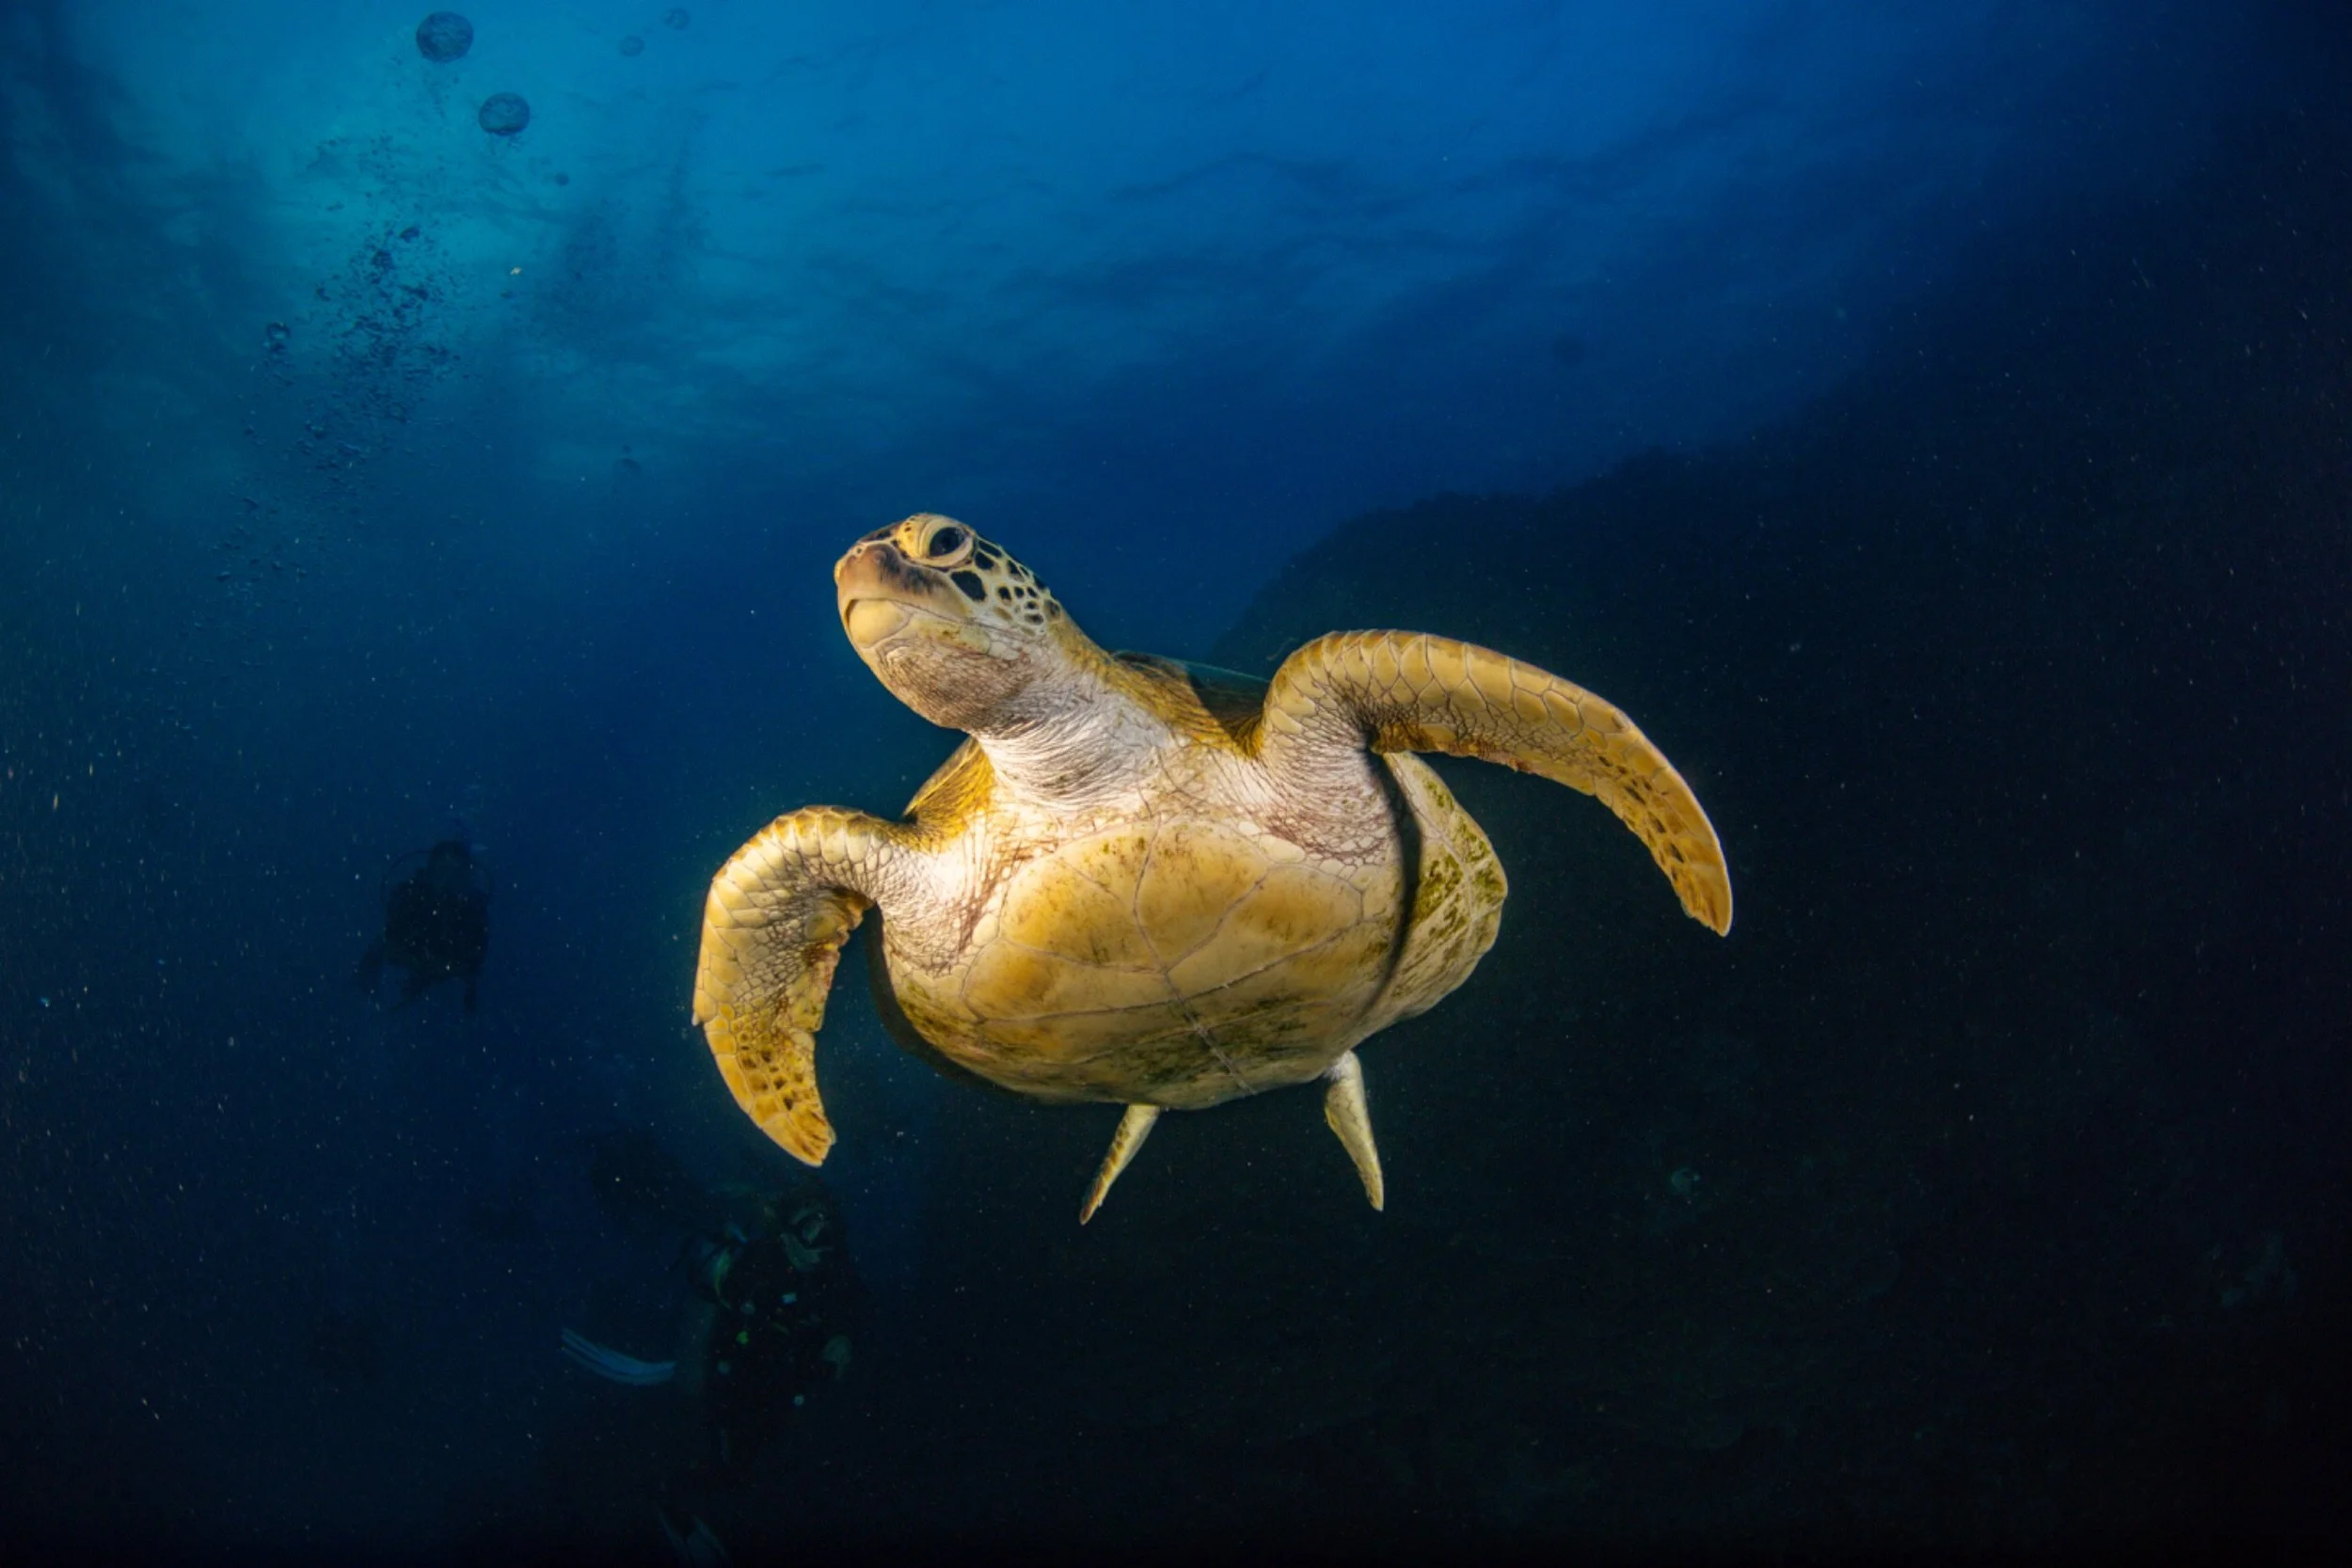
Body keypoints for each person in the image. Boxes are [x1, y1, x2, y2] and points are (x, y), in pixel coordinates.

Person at [357, 837, 492, 1011]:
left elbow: (475, 956)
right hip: (418, 959)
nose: (447, 881)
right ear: (430, 873)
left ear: (466, 877)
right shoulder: (409, 899)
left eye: (455, 873)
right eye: (442, 871)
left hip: (443, 966)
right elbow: (389, 940)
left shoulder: (473, 910)